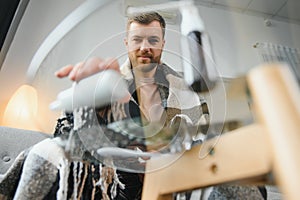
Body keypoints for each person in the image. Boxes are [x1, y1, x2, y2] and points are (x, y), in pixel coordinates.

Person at [0, 11, 265, 200]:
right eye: (137, 40)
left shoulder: (188, 93)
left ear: (163, 44)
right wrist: (88, 104)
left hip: (173, 181)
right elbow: (66, 139)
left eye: (153, 40)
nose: (145, 48)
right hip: (117, 184)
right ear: (127, 43)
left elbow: (206, 144)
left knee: (244, 179)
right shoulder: (105, 86)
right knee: (50, 151)